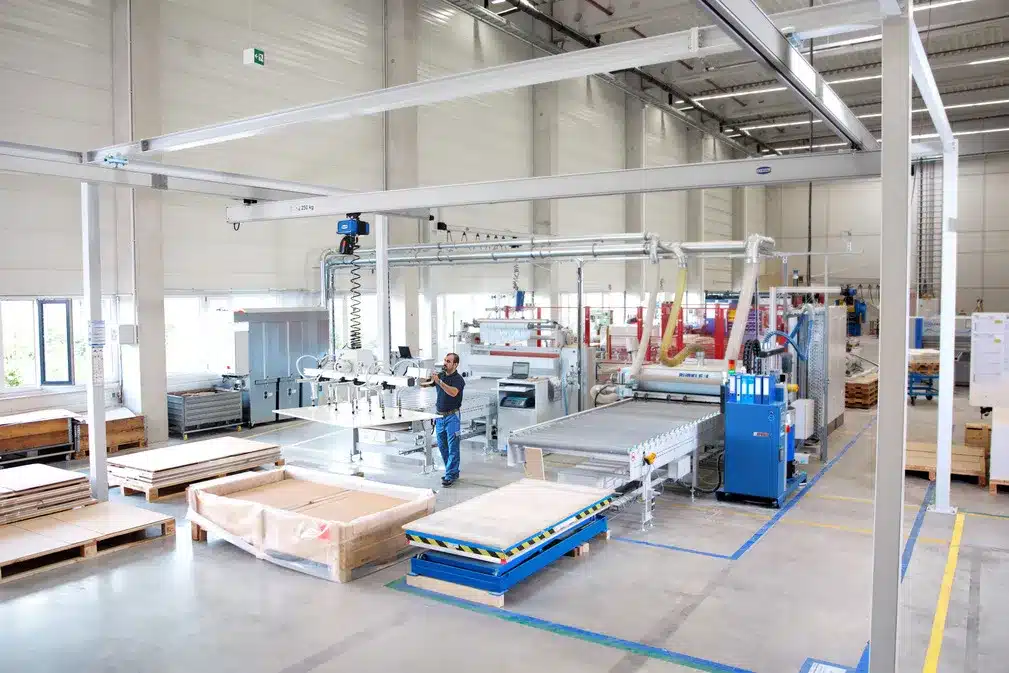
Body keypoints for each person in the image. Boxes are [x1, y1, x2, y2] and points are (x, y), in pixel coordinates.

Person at [422, 353, 466, 486]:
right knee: (442, 447)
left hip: (452, 416)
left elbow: (453, 392)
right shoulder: (440, 375)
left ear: (455, 364)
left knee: (453, 447)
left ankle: (450, 475)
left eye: (448, 361)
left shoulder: (458, 379)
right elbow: (424, 384)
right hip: (440, 417)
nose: (445, 363)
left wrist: (439, 382)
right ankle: (451, 471)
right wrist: (421, 375)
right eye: (445, 360)